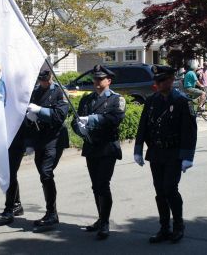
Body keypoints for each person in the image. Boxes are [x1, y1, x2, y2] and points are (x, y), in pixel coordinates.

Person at [134, 65, 197, 244]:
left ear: (171, 80)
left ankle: (178, 225)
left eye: (162, 80)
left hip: (174, 152)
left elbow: (190, 131)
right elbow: (143, 126)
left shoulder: (183, 101)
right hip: (156, 152)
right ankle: (164, 228)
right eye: (157, 81)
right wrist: (138, 149)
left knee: (170, 189)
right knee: (160, 191)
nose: (158, 84)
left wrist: (187, 156)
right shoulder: (152, 100)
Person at [71, 65, 126, 239]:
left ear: (108, 81)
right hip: (91, 147)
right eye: (95, 79)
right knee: (96, 186)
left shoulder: (117, 100)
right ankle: (101, 217)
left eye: (100, 79)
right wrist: (79, 128)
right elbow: (76, 120)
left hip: (107, 148)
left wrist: (92, 120)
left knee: (103, 184)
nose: (96, 82)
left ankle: (105, 222)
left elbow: (114, 119)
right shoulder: (86, 100)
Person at [26, 70, 69, 227]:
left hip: (55, 137)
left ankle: (52, 213)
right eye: (41, 80)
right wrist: (29, 142)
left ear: (50, 77)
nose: (43, 83)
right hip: (40, 138)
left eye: (45, 79)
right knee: (43, 175)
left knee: (46, 172)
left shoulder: (59, 91)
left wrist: (39, 111)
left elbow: (59, 116)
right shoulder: (36, 91)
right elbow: (28, 116)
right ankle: (51, 212)